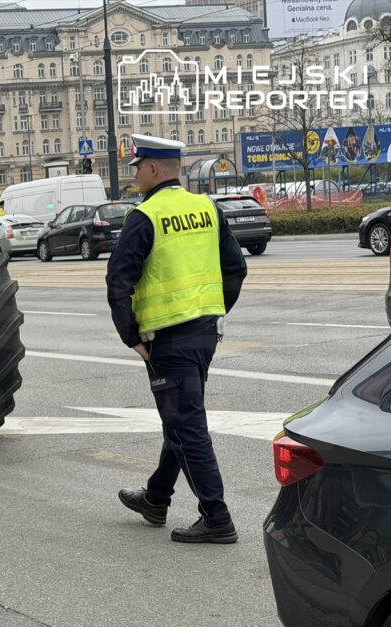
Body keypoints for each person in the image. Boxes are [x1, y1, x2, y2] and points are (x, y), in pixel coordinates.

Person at [106, 135, 248, 544]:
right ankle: (156, 497)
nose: (134, 174)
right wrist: (211, 312)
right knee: (181, 418)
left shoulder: (145, 216)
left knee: (187, 427)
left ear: (152, 168)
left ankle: (217, 518)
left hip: (167, 340)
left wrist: (130, 336)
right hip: (204, 335)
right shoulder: (207, 208)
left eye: (137, 167)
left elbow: (118, 280)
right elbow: (235, 269)